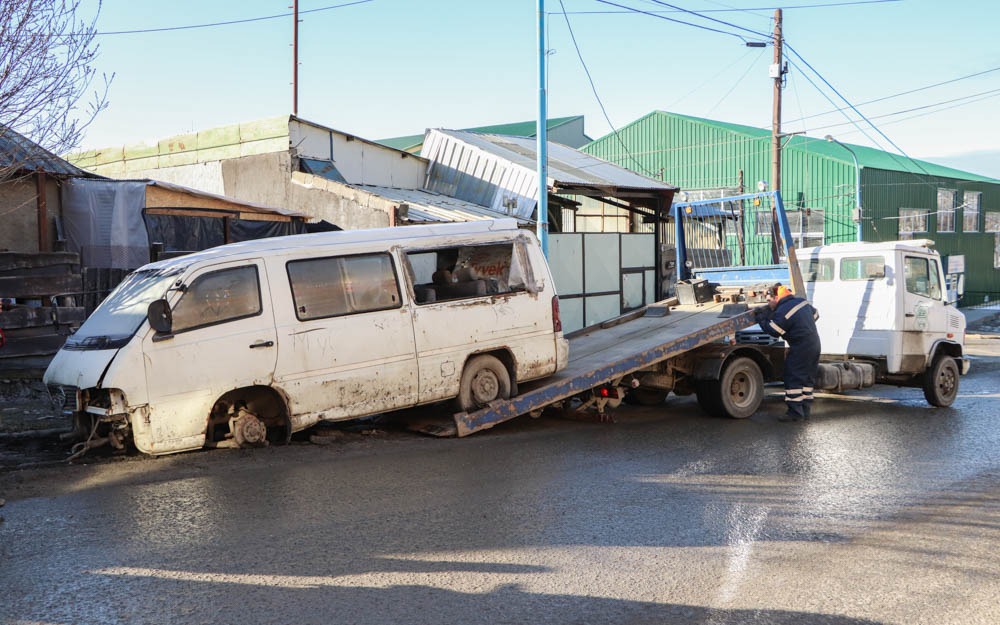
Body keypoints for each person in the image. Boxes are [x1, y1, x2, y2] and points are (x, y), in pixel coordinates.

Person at [753, 284, 821, 422]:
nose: (768, 304)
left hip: (800, 347)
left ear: (776, 298)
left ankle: (795, 413)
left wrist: (761, 317)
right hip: (815, 345)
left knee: (793, 377)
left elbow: (774, 330)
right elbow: (816, 314)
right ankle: (805, 410)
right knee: (807, 378)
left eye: (769, 300)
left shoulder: (783, 310)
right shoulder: (801, 302)